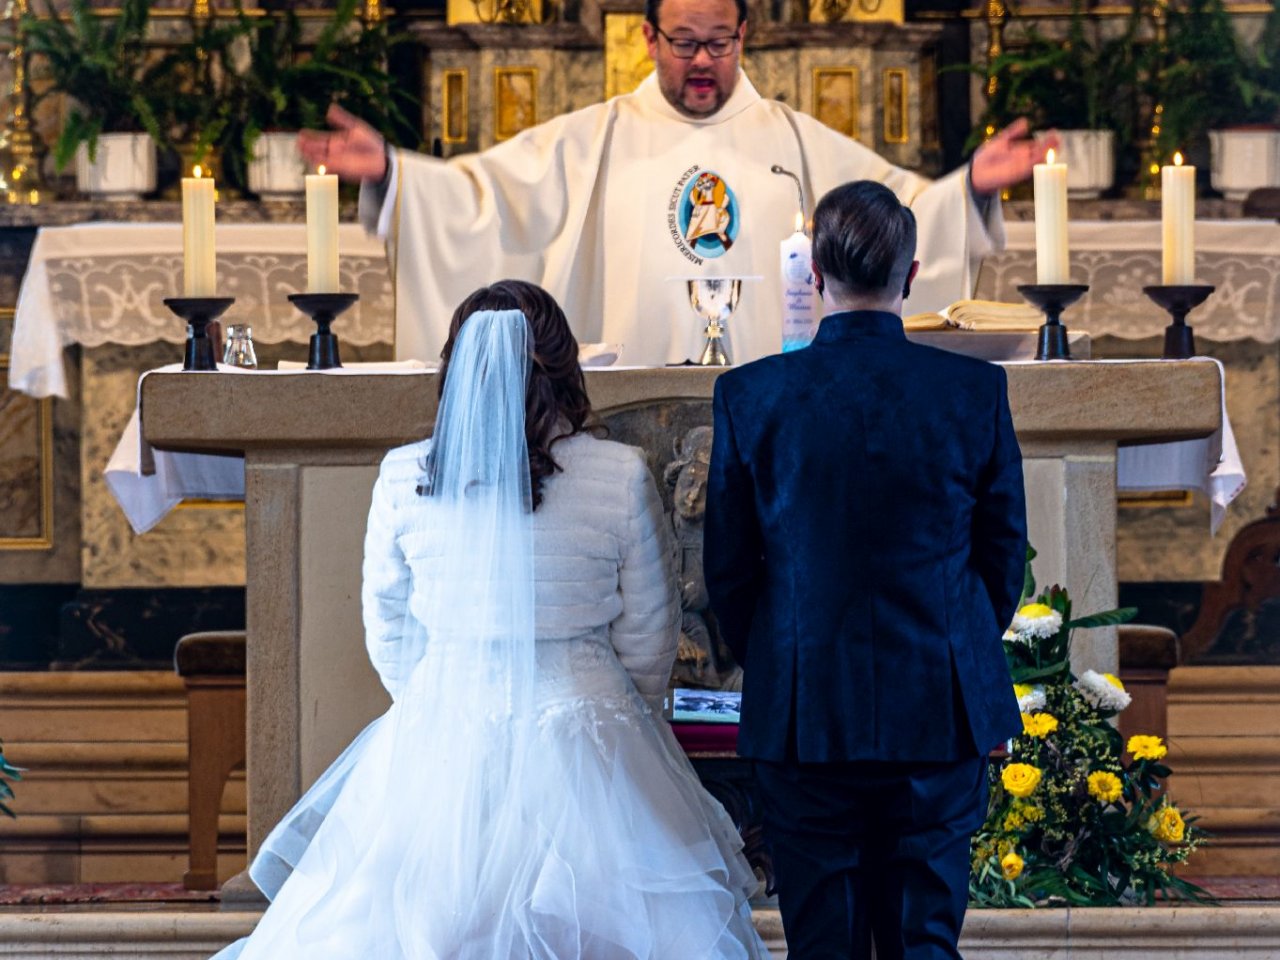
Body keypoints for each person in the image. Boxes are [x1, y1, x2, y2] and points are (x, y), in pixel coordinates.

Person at [214, 280, 768, 959]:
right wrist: (626, 718)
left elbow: (387, 624)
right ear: (565, 368)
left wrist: (433, 706)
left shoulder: (405, 476)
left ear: (458, 366)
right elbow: (650, 634)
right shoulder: (620, 474)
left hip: (442, 727)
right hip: (588, 723)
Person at [299, 0, 1052, 367]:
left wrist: (968, 190)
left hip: (777, 415)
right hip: (627, 419)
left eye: (719, 43)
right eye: (684, 42)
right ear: (648, 37)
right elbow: (487, 202)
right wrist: (397, 175)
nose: (702, 61)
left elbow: (899, 216)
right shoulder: (594, 138)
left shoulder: (791, 138)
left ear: (743, 37)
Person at [703, 180, 1028, 959]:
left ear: (813, 274)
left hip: (805, 709)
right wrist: (954, 640)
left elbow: (729, 571)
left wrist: (782, 654)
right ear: (911, 276)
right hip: (938, 709)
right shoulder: (974, 391)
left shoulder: (751, 394)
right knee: (924, 941)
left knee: (823, 943)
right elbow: (1002, 554)